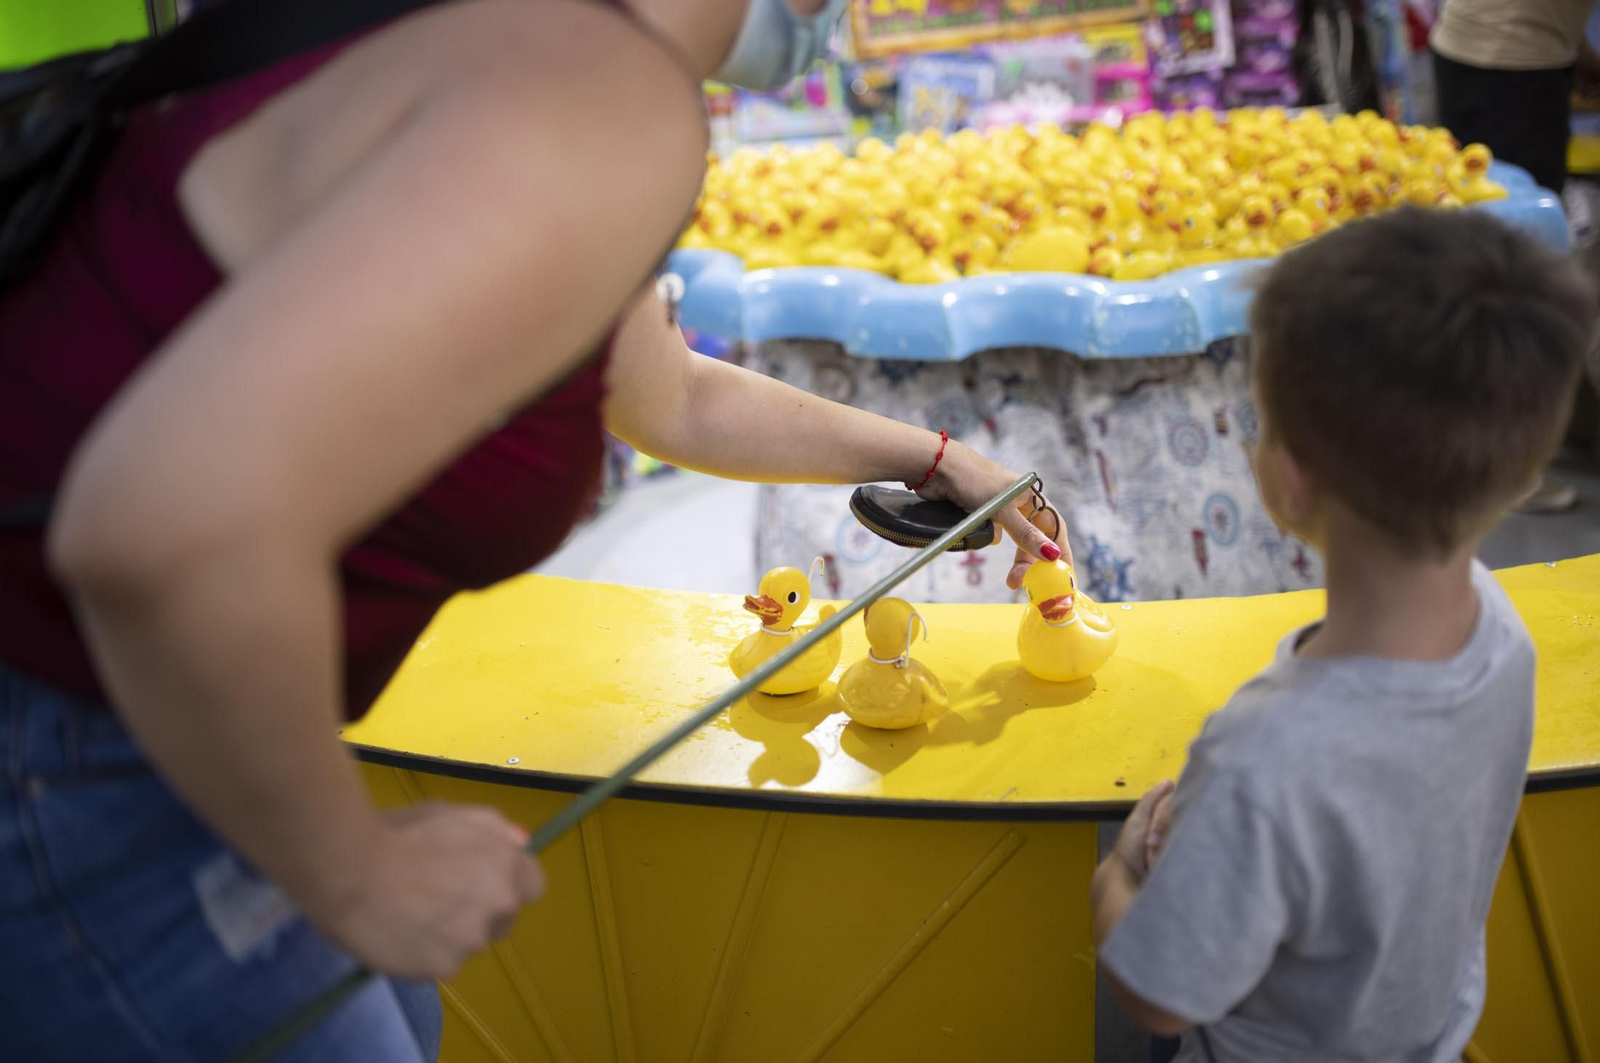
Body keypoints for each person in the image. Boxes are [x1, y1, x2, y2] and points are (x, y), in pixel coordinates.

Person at [0, 2, 1072, 1059]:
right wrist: (353, 874)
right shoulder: (594, 91)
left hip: (141, 731)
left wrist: (934, 462)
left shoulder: (531, 48)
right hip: (80, 762)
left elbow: (666, 396)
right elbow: (156, 525)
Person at [1090, 207, 1593, 1062]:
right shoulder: (1500, 636)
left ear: (1289, 474)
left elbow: (1160, 994)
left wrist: (1119, 874)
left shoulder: (1262, 754)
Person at [1431, 0, 1598, 511]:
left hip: (1516, 57)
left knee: (1516, 254)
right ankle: (1503, 463)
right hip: (1504, 68)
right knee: (1510, 266)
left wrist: (1578, 51)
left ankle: (1550, 428)